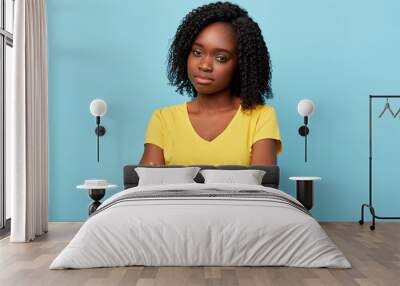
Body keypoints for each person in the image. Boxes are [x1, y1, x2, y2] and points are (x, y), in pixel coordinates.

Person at [140, 1, 282, 166]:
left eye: (221, 58)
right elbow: (147, 188)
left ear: (241, 65)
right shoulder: (163, 119)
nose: (204, 65)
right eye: (197, 52)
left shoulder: (261, 117)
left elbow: (262, 188)